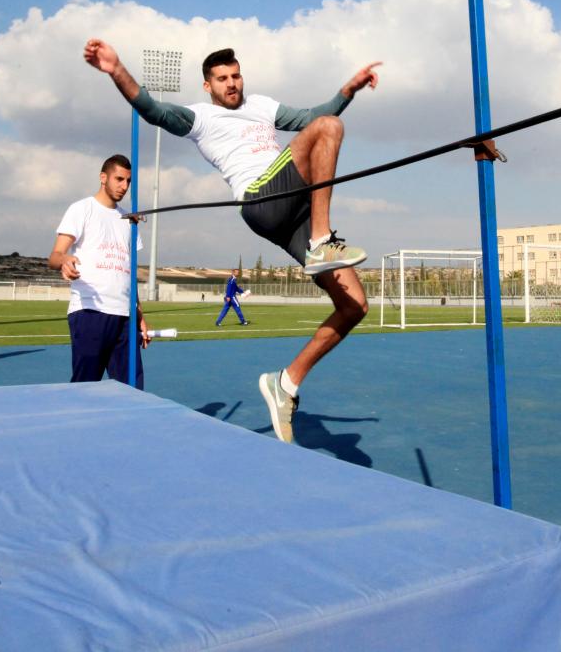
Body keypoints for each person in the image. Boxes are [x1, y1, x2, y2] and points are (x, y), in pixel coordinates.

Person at [85, 40, 381, 443]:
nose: (232, 83)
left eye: (236, 75)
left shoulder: (261, 106)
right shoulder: (200, 117)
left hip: (296, 210)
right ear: (207, 85)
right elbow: (153, 110)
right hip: (262, 198)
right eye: (222, 78)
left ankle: (286, 383)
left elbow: (313, 115)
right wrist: (116, 69)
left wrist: (348, 89)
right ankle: (322, 240)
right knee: (328, 130)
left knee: (355, 305)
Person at [49, 154, 154, 389]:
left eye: (128, 181)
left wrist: (140, 315)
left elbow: (130, 271)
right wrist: (65, 260)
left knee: (133, 391)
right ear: (103, 177)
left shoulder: (129, 220)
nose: (124, 186)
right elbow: (54, 256)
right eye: (119, 179)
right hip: (90, 311)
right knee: (84, 388)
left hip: (125, 317)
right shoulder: (82, 209)